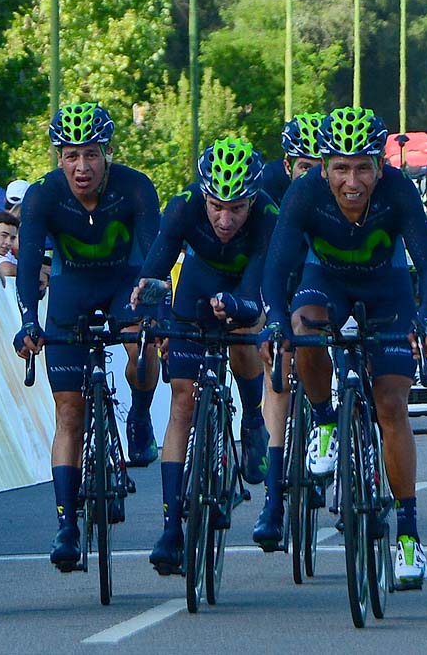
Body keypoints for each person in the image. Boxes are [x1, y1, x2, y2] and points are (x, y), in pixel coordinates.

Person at [258, 105, 427, 590]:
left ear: (380, 167)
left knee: (391, 406)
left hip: (388, 288)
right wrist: (275, 321)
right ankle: (322, 422)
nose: (352, 180)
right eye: (340, 167)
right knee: (304, 328)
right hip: (328, 283)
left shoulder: (399, 190)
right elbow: (276, 270)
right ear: (324, 168)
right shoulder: (304, 193)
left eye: (363, 166)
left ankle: (408, 535)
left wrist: (424, 317)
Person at [11, 102, 163, 572]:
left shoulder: (135, 188)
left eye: (92, 155)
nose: (82, 166)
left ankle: (139, 417)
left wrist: (155, 311)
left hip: (125, 282)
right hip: (71, 291)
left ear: (108, 153)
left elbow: (155, 258)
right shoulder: (41, 197)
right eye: (72, 155)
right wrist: (28, 320)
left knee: (141, 339)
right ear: (59, 158)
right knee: (69, 413)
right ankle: (66, 524)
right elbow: (29, 263)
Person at [129, 138, 276, 573]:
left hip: (244, 288)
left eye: (236, 209)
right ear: (203, 195)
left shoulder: (269, 216)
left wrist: (239, 309)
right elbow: (153, 273)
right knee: (182, 403)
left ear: (252, 200)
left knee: (244, 339)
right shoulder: (182, 206)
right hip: (195, 287)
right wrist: (155, 317)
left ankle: (252, 417)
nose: (224, 219)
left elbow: (259, 287)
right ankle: (171, 525)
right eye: (216, 206)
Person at [259, 112, 325, 205]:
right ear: (287, 167)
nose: (316, 176)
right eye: (305, 168)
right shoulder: (269, 182)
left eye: (323, 167)